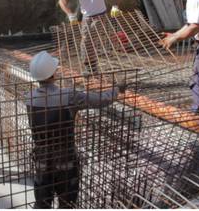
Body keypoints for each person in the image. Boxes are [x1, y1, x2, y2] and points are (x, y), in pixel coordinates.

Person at [25, 51, 125, 208]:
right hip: (65, 161)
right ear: (53, 73)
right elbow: (100, 100)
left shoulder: (29, 97)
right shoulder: (69, 96)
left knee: (42, 205)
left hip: (41, 161)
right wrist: (117, 90)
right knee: (67, 204)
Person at [58, 0, 122, 75]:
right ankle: (91, 67)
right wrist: (70, 14)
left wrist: (115, 6)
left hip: (100, 16)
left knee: (88, 39)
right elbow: (62, 1)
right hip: (86, 17)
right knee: (86, 41)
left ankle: (91, 67)